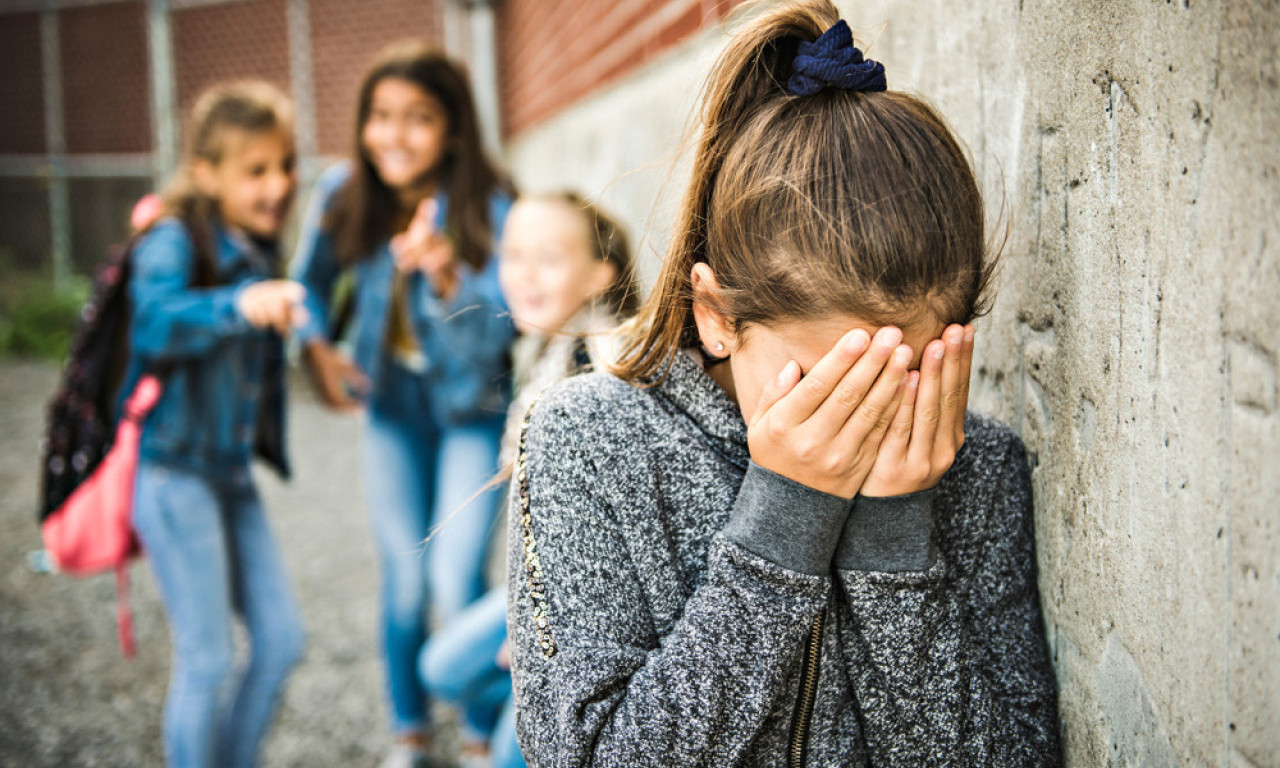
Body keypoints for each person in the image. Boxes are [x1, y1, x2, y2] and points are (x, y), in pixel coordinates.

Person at [505, 2, 1062, 766]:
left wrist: (894, 543)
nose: (860, 423)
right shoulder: (590, 440)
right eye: (826, 384)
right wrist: (784, 525)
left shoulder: (977, 466)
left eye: (898, 377)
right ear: (716, 317)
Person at [289, 40, 514, 768]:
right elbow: (308, 287)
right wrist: (316, 347)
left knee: (455, 576)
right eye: (381, 116)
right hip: (392, 410)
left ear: (453, 129)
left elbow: (509, 328)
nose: (394, 134)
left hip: (471, 411)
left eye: (418, 118)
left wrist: (450, 276)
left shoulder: (491, 204)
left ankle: (481, 731)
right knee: (406, 580)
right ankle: (409, 731)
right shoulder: (343, 192)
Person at [420, 192, 639, 768]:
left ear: (600, 275)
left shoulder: (602, 364)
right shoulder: (545, 351)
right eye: (512, 255)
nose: (524, 274)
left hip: (586, 604)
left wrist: (537, 633)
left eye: (548, 257)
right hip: (541, 585)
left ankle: (578, 727)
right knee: (440, 669)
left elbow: (605, 531)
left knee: (510, 753)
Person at [127, 80, 307, 768]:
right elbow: (152, 324)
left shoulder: (257, 247)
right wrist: (239, 305)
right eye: (255, 170)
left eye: (284, 166)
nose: (278, 184)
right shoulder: (173, 238)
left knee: (283, 640)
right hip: (174, 474)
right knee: (206, 657)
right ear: (206, 173)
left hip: (228, 475)